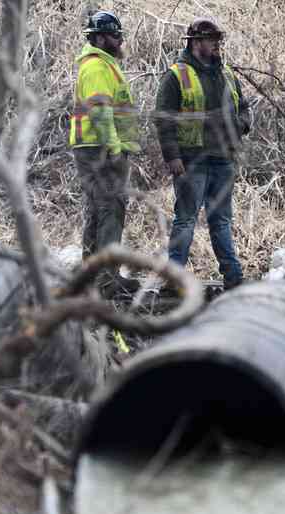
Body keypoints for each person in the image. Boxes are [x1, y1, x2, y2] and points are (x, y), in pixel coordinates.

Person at [154, 17, 251, 291]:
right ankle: (174, 283)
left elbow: (243, 107)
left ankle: (233, 279)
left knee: (221, 221)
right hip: (191, 161)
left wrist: (241, 124)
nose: (217, 45)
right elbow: (163, 118)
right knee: (185, 220)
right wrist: (172, 157)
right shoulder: (176, 75)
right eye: (212, 40)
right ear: (196, 42)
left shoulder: (228, 73)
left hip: (223, 159)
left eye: (218, 40)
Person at [70, 10, 141, 298]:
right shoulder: (98, 67)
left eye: (119, 34)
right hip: (99, 148)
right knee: (110, 209)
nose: (119, 39)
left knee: (98, 210)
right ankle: (106, 280)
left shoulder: (103, 64)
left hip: (94, 147)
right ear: (99, 37)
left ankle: (92, 275)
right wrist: (114, 148)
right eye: (114, 35)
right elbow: (100, 113)